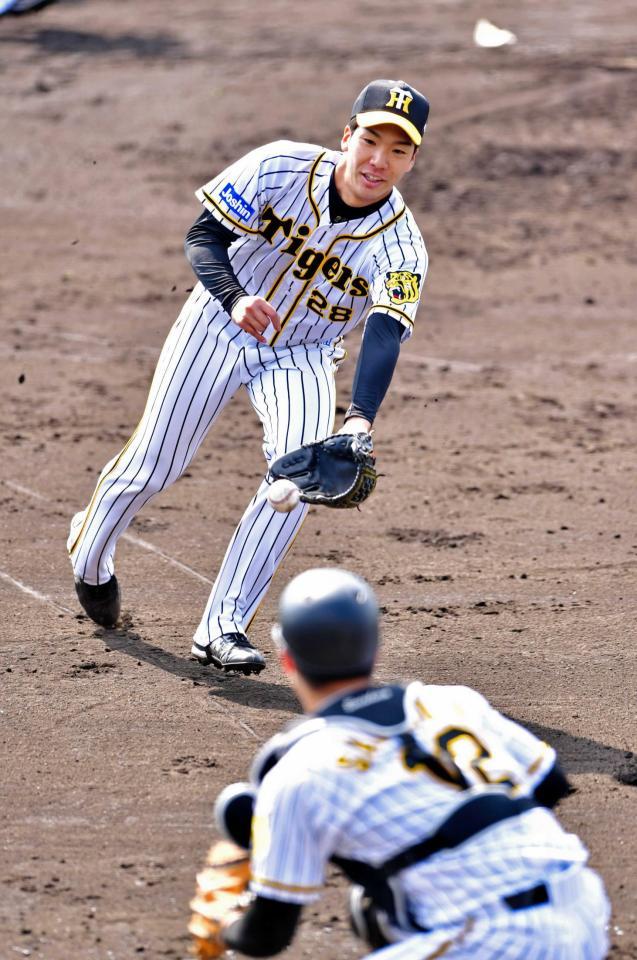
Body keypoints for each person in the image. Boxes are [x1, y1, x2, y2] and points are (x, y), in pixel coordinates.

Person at [67, 79, 430, 675]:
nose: (378, 160)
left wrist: (360, 418)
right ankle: (90, 553)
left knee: (298, 478)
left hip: (303, 354)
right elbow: (203, 236)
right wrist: (235, 297)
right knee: (153, 466)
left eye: (397, 150)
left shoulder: (403, 248)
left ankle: (222, 626)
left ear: (413, 159)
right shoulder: (278, 166)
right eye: (370, 140)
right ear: (347, 135)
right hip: (216, 323)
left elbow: (387, 330)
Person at [204, 568, 610, 959]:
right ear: (375, 650)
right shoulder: (450, 702)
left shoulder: (298, 771)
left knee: (386, 914)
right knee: (387, 913)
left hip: (494, 940)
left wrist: (225, 924)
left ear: (288, 660)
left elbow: (268, 935)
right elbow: (549, 784)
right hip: (584, 908)